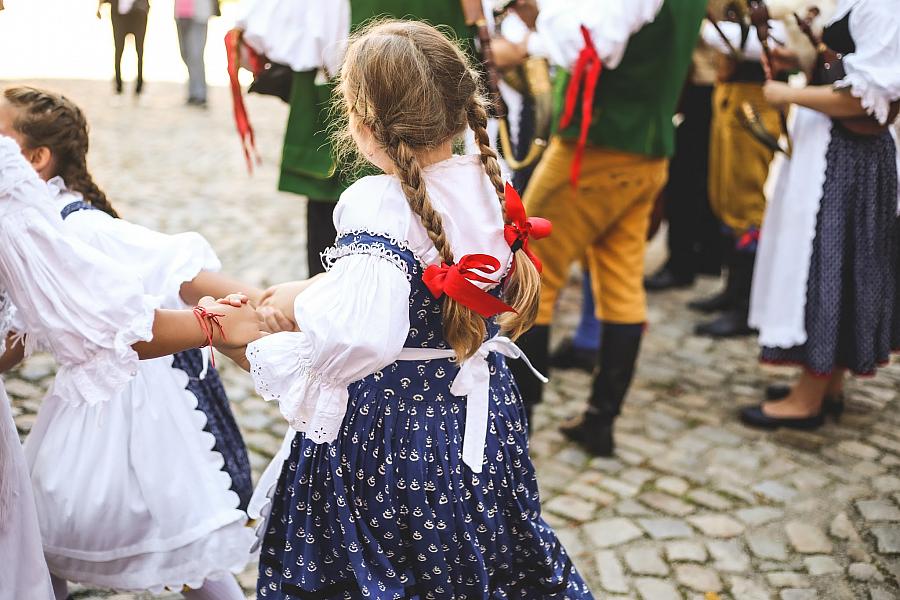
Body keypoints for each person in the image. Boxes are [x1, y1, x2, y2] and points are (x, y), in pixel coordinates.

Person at [238, 20, 594, 599]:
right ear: (461, 108)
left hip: (397, 429)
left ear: (360, 120)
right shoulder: (488, 182)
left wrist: (295, 327)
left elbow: (361, 337)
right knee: (468, 540)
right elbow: (409, 284)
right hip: (479, 406)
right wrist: (310, 290)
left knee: (386, 561)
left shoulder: (377, 202)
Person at [0, 90, 263, 599]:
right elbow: (25, 327)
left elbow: (175, 265)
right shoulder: (37, 221)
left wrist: (260, 303)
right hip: (90, 394)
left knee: (181, 532)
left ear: (35, 158)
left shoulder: (79, 225)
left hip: (143, 396)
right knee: (41, 526)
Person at [506, 0, 707, 456]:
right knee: (620, 281)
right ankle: (600, 420)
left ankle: (517, 424)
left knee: (532, 273)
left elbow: (592, 43)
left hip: (595, 147)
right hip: (647, 148)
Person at [742, 0, 900, 429]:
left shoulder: (885, 8)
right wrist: (801, 59)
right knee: (834, 266)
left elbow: (871, 100)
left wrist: (788, 93)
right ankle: (827, 384)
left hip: (847, 160)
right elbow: (849, 64)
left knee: (827, 268)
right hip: (834, 152)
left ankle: (807, 399)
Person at [236, 0, 474, 279]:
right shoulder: (483, 186)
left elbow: (284, 36)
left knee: (337, 250)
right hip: (441, 122)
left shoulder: (361, 199)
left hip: (360, 109)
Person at [690, 11, 785, 338]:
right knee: (724, 196)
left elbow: (774, 39)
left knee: (746, 202)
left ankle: (747, 306)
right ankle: (733, 290)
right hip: (730, 88)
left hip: (756, 93)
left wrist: (705, 27)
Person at [644, 35, 725, 291]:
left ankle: (683, 263)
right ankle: (705, 255)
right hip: (709, 83)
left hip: (702, 83)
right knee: (702, 173)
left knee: (686, 179)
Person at [97, 0, 150, 95]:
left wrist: (145, 7)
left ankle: (139, 85)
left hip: (138, 15)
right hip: (119, 17)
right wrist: (99, 7)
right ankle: (118, 85)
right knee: (118, 51)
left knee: (140, 51)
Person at [175, 0, 219, 106]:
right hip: (181, 12)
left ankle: (200, 93)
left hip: (199, 14)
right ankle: (193, 90)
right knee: (185, 53)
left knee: (196, 54)